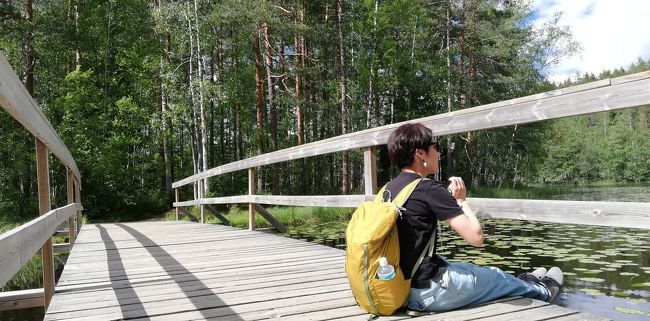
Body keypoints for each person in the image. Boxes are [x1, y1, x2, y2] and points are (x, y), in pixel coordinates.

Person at [384, 122, 563, 313]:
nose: (439, 153)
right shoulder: (429, 188)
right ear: (420, 154)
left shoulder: (388, 189)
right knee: (494, 276)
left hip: (400, 288)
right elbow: (476, 238)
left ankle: (521, 282)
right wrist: (461, 201)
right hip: (427, 294)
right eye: (436, 148)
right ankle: (543, 291)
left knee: (467, 268)